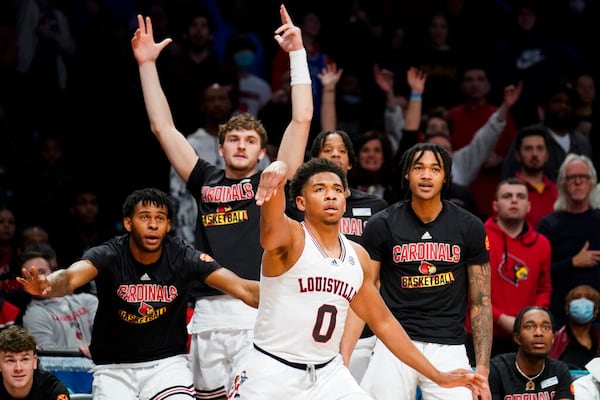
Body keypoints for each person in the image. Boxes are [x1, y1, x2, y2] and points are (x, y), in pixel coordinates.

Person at [132, 6, 312, 399]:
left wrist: (297, 55)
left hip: (259, 314)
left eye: (250, 141)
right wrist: (147, 65)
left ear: (263, 152)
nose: (242, 145)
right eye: (234, 139)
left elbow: (301, 121)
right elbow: (162, 127)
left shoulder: (274, 180)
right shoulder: (205, 179)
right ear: (220, 147)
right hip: (209, 316)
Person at [227, 157, 488, 399]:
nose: (330, 194)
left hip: (327, 374)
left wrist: (437, 375)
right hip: (272, 369)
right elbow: (271, 222)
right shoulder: (291, 238)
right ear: (301, 202)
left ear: (345, 198)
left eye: (337, 189)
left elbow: (383, 322)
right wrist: (280, 169)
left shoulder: (357, 256)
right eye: (319, 189)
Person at [16, 188, 259, 400]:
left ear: (168, 225)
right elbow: (69, 278)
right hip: (114, 368)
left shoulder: (182, 256)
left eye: (160, 218)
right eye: (145, 217)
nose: (153, 224)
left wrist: (286, 294)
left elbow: (243, 288)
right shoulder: (109, 254)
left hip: (166, 365)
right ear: (128, 223)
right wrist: (47, 284)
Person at [341, 142, 493, 400]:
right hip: (394, 343)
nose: (426, 175)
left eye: (435, 169)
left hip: (449, 345)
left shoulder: (470, 227)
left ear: (445, 177)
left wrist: (483, 371)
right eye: (419, 168)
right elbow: (364, 294)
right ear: (407, 173)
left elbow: (481, 302)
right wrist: (343, 359)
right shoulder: (382, 225)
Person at [467, 178, 552, 361]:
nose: (514, 200)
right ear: (495, 205)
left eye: (520, 196)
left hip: (526, 335)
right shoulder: (478, 236)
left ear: (528, 206)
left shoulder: (542, 244)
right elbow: (468, 288)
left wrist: (529, 319)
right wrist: (501, 318)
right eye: (507, 196)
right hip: (481, 332)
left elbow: (544, 289)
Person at [537, 154, 600, 328]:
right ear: (563, 184)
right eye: (572, 178)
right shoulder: (548, 224)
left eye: (583, 177)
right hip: (559, 317)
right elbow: (537, 273)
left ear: (592, 182)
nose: (578, 182)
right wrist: (573, 262)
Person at [20, 251, 97, 358]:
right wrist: (80, 352)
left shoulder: (88, 301)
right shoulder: (34, 315)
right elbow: (49, 359)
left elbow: (111, 335)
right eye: (31, 275)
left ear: (53, 273)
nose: (38, 279)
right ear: (24, 285)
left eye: (42, 272)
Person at [488, 306, 574, 400]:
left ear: (553, 338)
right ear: (517, 338)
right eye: (530, 327)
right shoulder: (496, 370)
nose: (539, 333)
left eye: (546, 327)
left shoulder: (560, 371)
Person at [0, 325, 71, 399]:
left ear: (34, 362)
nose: (18, 368)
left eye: (25, 359)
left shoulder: (53, 390)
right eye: (10, 361)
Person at [512, 126, 558, 228]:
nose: (534, 154)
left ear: (547, 155)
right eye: (528, 148)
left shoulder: (558, 192)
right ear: (518, 155)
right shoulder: (508, 193)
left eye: (540, 148)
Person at [549, 285, 600, 370]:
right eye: (577, 297)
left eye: (589, 298)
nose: (582, 301)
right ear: (567, 307)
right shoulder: (554, 339)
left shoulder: (598, 339)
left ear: (596, 309)